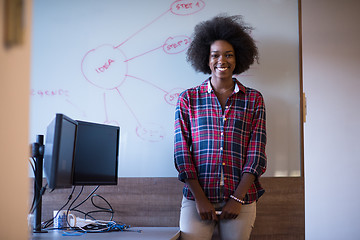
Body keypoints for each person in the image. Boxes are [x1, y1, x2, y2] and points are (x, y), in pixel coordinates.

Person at [174, 15, 267, 240]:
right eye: (215, 55)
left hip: (241, 199)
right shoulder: (188, 98)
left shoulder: (253, 99)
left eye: (228, 55)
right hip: (197, 199)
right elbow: (181, 152)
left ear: (238, 59)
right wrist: (200, 198)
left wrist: (236, 200)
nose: (221, 60)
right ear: (206, 59)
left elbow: (256, 152)